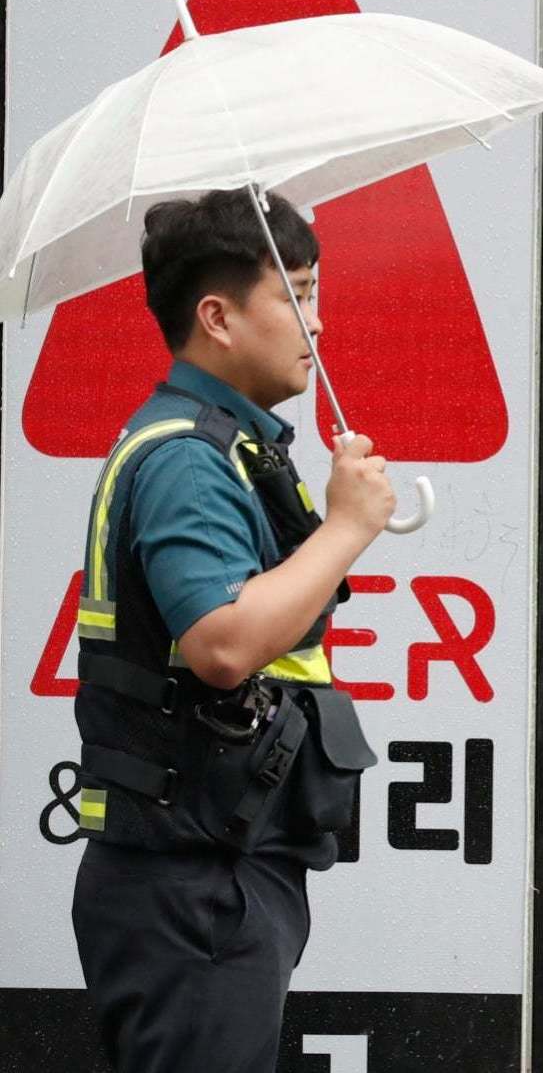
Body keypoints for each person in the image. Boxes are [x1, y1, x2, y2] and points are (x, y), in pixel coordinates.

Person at [70, 189, 394, 1073]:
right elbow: (220, 642)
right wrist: (346, 529)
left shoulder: (230, 447)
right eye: (295, 295)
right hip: (189, 878)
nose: (316, 324)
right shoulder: (185, 457)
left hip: (210, 865)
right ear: (215, 315)